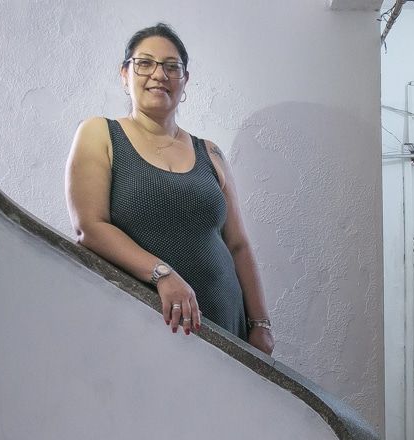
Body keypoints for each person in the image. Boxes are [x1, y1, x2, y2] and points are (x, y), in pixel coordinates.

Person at [65, 23, 274, 355]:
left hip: (227, 323)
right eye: (145, 63)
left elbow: (238, 245)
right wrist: (162, 274)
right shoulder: (100, 133)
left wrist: (260, 323)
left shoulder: (210, 152)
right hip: (146, 325)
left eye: (171, 66)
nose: (159, 74)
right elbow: (89, 227)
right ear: (125, 74)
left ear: (185, 80)